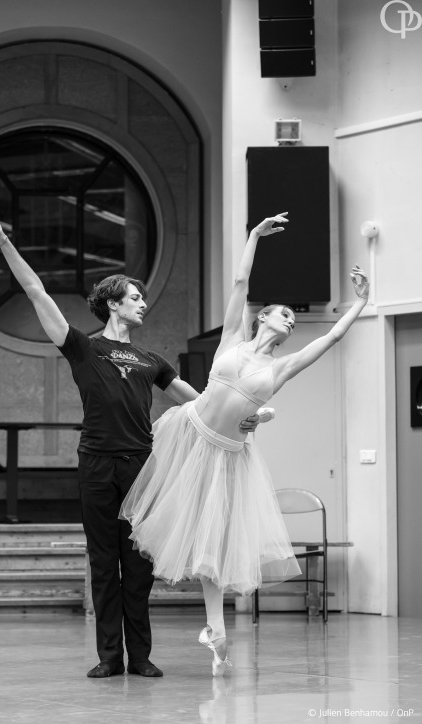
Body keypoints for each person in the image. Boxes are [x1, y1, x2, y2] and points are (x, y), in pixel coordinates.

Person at [0, 203, 269, 680]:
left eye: (141, 298)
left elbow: (202, 402)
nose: (142, 304)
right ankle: (109, 656)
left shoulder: (151, 358)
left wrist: (242, 419)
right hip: (95, 464)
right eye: (134, 298)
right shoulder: (82, 346)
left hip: (142, 467)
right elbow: (35, 290)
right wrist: (3, 243)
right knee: (103, 560)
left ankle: (142, 656)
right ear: (113, 303)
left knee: (138, 565)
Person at [120, 212, 370, 676]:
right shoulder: (233, 337)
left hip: (228, 456)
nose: (292, 321)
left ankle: (215, 631)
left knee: (212, 546)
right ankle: (156, 630)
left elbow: (333, 336)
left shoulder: (280, 368)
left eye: (295, 319)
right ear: (263, 317)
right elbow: (240, 278)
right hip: (189, 436)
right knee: (169, 530)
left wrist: (360, 302)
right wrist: (255, 234)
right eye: (286, 313)